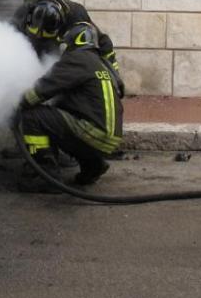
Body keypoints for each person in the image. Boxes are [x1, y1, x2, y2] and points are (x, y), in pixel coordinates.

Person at [15, 21, 123, 192]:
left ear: (74, 41)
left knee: (33, 116)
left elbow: (44, 88)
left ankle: (47, 176)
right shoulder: (100, 63)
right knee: (59, 120)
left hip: (93, 132)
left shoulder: (77, 59)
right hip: (111, 138)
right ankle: (92, 164)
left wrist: (19, 104)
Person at [11, 0, 124, 94]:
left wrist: (116, 78)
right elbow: (7, 45)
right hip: (32, 52)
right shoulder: (24, 13)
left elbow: (104, 42)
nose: (41, 37)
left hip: (62, 54)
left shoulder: (76, 15)